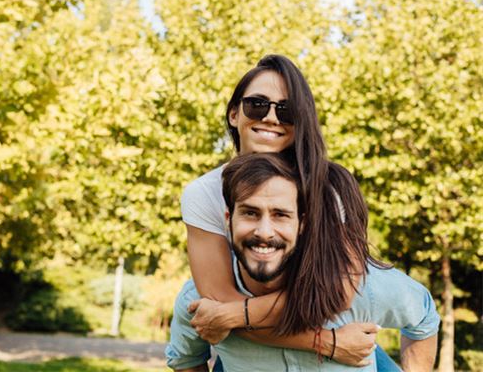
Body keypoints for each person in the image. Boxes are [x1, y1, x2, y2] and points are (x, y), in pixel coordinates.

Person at [170, 54, 403, 369]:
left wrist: (233, 316)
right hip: (263, 346)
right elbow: (219, 301)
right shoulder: (204, 194)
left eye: (286, 110)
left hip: (338, 340)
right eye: (257, 104)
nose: (270, 118)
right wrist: (326, 342)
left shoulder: (329, 189)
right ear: (234, 114)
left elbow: (339, 293)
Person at [166, 153, 439, 371]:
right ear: (228, 220)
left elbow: (423, 315)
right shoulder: (200, 302)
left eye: (281, 215)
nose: (264, 231)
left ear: (302, 224)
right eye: (250, 213)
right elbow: (185, 359)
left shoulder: (362, 288)